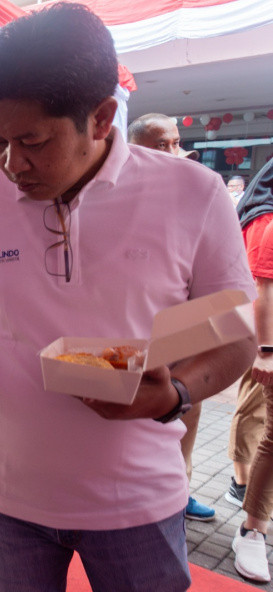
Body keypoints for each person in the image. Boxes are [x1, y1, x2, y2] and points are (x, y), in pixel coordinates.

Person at [0, 5, 255, 591]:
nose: (11, 164)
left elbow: (233, 331)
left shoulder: (191, 195)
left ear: (99, 119)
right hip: (5, 497)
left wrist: (173, 394)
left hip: (136, 503)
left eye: (32, 141)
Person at [128, 111, 217, 523]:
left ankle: (181, 489)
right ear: (134, 149)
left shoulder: (196, 199)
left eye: (176, 143)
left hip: (186, 333)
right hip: (135, 343)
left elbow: (224, 298)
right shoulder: (121, 200)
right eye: (162, 144)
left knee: (187, 411)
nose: (174, 152)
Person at [226, 158, 273, 582]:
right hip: (262, 340)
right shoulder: (266, 222)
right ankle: (251, 519)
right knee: (256, 416)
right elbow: (262, 290)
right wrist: (266, 350)